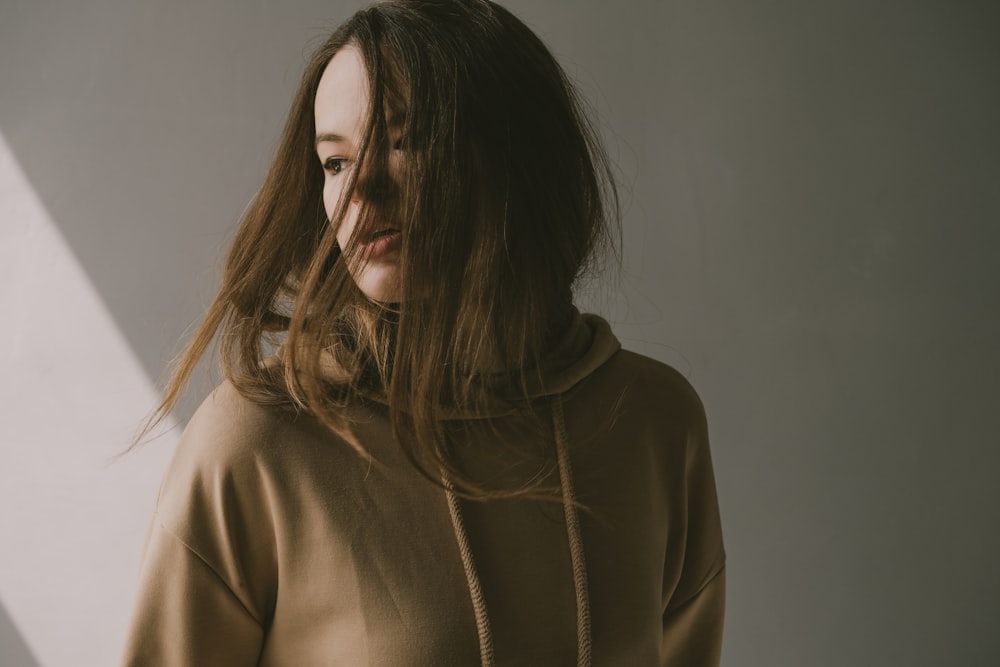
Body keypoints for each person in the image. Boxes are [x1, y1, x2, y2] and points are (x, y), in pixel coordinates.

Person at [121, 0, 726, 665]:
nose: (360, 194)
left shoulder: (653, 423)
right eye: (334, 162)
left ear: (516, 151)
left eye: (406, 141)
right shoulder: (260, 443)